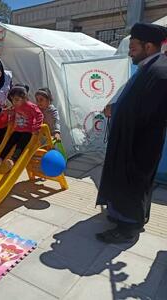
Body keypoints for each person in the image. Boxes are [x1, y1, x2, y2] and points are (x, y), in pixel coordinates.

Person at [96, 23, 167, 244]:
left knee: (132, 183)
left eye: (133, 47)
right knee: (132, 183)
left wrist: (117, 110)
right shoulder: (150, 65)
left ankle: (126, 228)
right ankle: (131, 218)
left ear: (148, 46)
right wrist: (116, 108)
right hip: (133, 139)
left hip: (139, 143)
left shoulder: (160, 71)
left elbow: (146, 112)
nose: (129, 51)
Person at [0, 85, 43, 173]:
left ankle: (13, 160)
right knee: (9, 143)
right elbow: (13, 113)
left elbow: (39, 115)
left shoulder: (30, 106)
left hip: (27, 132)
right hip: (18, 130)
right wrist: (11, 121)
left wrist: (36, 127)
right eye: (12, 99)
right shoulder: (16, 106)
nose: (14, 102)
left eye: (17, 99)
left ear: (24, 98)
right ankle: (0, 158)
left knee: (20, 145)